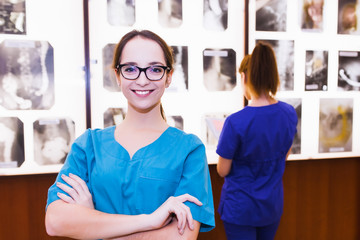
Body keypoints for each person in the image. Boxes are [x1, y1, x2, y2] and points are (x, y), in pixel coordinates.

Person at [45, 29, 215, 239]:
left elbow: (182, 236)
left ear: (169, 76)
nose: (142, 80)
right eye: (131, 69)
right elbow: (55, 221)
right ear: (118, 75)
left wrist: (91, 221)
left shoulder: (189, 150)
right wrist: (151, 221)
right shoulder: (89, 145)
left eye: (154, 69)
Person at [216, 42, 298, 240]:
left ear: (244, 77)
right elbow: (284, 155)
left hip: (241, 208)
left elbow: (222, 170)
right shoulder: (289, 113)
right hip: (271, 206)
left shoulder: (235, 122)